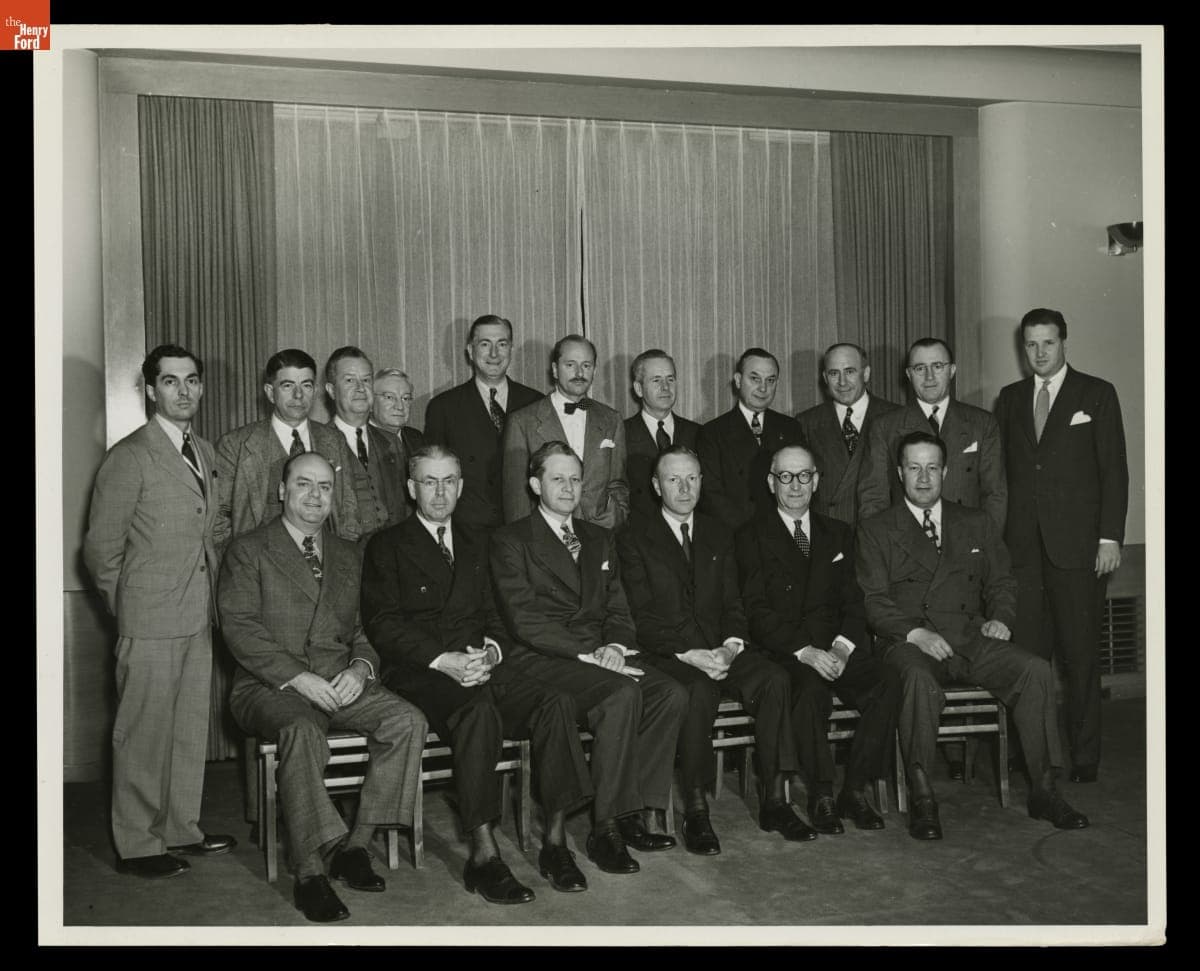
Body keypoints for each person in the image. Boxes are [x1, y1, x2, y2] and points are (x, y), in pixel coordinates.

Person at [361, 444, 594, 900]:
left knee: (556, 703)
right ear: (412, 488)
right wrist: (443, 660)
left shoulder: (479, 541)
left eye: (449, 481)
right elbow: (383, 624)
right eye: (429, 481)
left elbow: (497, 615)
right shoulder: (387, 544)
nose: (440, 491)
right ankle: (484, 854)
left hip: (478, 663)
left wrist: (489, 653)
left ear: (462, 486)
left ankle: (555, 841)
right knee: (478, 712)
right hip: (422, 671)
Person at [218, 452, 427, 922]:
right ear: (281, 491)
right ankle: (310, 870)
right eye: (303, 485)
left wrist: (358, 669)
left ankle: (356, 845)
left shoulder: (350, 554)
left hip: (338, 681)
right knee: (302, 731)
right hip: (269, 686)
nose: (315, 497)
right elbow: (240, 630)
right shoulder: (248, 550)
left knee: (407, 720)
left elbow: (366, 630)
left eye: (325, 488)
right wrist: (300, 678)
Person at [856, 431, 1089, 840]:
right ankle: (923, 794)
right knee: (917, 680)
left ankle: (1045, 790)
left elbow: (1002, 581)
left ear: (945, 471)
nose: (924, 478)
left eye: (932, 468)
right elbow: (874, 602)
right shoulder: (877, 529)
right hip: (909, 643)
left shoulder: (974, 521)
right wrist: (915, 633)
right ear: (899, 473)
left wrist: (1001, 618)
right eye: (914, 468)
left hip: (968, 636)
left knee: (1034, 670)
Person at [490, 442, 688, 875]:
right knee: (620, 694)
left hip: (599, 655)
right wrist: (589, 654)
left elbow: (619, 609)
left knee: (668, 692)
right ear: (534, 483)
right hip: (542, 657)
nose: (568, 486)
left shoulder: (599, 539)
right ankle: (604, 829)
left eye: (575, 478)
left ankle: (630, 810)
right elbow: (524, 621)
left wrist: (615, 647)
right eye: (557, 478)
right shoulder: (511, 540)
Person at [83, 344, 235, 878]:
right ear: (150, 389)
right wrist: (130, 609)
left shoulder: (206, 451)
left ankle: (179, 829)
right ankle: (138, 844)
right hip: (150, 619)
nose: (184, 391)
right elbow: (101, 552)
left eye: (192, 380)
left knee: (187, 728)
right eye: (170, 382)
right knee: (143, 731)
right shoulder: (129, 457)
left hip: (198, 616)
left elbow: (208, 530)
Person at [617, 446, 809, 853]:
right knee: (697, 693)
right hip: (669, 654)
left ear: (703, 481)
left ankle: (777, 799)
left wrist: (730, 646)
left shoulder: (719, 533)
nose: (684, 488)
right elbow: (640, 617)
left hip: (720, 650)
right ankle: (696, 808)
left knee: (774, 679)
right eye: (673, 479)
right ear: (656, 486)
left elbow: (734, 604)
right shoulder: (634, 537)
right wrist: (690, 654)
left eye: (692, 478)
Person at [735, 445, 900, 835]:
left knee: (889, 681)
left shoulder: (838, 532)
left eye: (804, 476)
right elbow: (757, 613)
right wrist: (806, 652)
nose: (795, 486)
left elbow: (854, 604)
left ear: (817, 481)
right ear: (771, 482)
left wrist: (842, 648)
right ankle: (822, 793)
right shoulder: (750, 536)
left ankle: (854, 790)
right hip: (787, 650)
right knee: (809, 690)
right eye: (786, 477)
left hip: (834, 647)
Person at [995, 308, 1129, 783]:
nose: (1038, 353)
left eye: (1047, 343)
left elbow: (1114, 470)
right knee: (1027, 660)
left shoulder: (1096, 393)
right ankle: (1028, 754)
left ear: (1064, 343)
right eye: (1030, 345)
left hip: (1079, 552)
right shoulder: (1009, 399)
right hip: (1024, 555)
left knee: (1080, 658)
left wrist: (1110, 537)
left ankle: (1085, 758)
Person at [214, 348, 359, 553]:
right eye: (287, 385)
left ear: (315, 391)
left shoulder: (333, 440)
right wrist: (240, 567)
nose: (298, 395)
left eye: (306, 385)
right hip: (258, 568)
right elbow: (218, 521)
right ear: (270, 392)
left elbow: (348, 512)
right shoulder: (235, 445)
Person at [858, 338, 1006, 532]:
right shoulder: (885, 427)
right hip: (905, 543)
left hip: (967, 541)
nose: (929, 377)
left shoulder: (983, 423)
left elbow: (995, 495)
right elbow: (873, 498)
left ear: (952, 370)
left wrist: (984, 547)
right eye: (920, 368)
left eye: (937, 366)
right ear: (909, 375)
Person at [423, 314, 543, 529]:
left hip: (526, 530)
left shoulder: (536, 403)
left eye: (502, 344)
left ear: (511, 350)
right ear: (470, 351)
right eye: (485, 344)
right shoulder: (443, 407)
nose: (494, 354)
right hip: (467, 533)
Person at [502, 334, 629, 529]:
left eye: (586, 365)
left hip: (600, 537)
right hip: (546, 541)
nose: (579, 372)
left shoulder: (611, 419)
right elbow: (517, 499)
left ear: (594, 370)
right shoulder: (523, 421)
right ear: (554, 369)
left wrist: (617, 515)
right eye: (570, 365)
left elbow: (618, 483)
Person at [696, 347, 805, 530]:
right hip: (736, 535)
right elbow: (711, 494)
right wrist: (750, 532)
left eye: (770, 380)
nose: (763, 388)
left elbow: (803, 484)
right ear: (738, 381)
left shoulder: (790, 427)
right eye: (754, 379)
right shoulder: (712, 432)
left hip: (784, 532)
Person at [795, 342, 899, 531]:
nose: (842, 382)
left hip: (882, 533)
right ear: (825, 378)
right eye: (834, 373)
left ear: (866, 374)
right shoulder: (806, 423)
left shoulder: (896, 417)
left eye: (850, 371)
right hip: (828, 536)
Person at [324, 345, 410, 540]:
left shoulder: (390, 442)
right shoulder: (317, 444)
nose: (360, 388)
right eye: (349, 381)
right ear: (331, 390)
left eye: (366, 380)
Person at [623, 349, 700, 519]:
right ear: (638, 388)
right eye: (656, 380)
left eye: (670, 379)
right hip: (639, 535)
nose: (665, 387)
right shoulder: (621, 434)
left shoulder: (698, 433)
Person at [370, 366, 426, 458]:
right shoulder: (356, 442)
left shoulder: (415, 438)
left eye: (405, 398)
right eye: (389, 397)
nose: (400, 406)